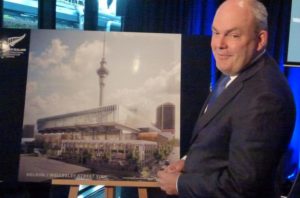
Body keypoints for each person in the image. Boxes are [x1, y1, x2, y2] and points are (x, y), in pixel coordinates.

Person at [157, 0, 296, 197]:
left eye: (234, 35)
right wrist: (190, 162)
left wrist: (181, 183)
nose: (219, 44)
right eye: (216, 32)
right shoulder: (237, 69)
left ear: (261, 39)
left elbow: (242, 186)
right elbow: (220, 145)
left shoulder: (265, 96)